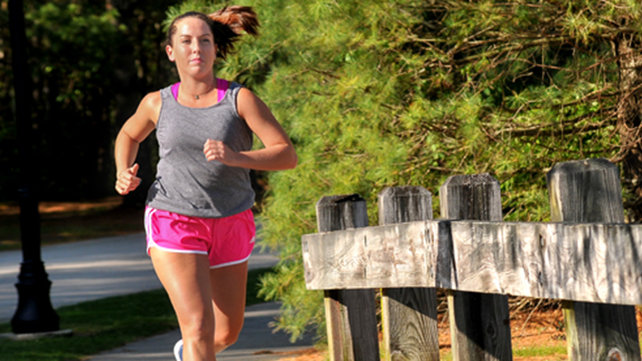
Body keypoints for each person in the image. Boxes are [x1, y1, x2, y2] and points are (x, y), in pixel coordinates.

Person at [113, 6, 297, 361]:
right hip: (173, 218)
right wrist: (123, 170)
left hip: (231, 218)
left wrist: (237, 157)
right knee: (198, 326)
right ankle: (195, 348)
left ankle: (190, 353)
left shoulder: (239, 99)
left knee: (226, 332)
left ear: (214, 49)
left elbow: (286, 154)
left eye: (204, 41)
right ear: (171, 51)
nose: (196, 48)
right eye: (186, 41)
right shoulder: (156, 103)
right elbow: (128, 133)